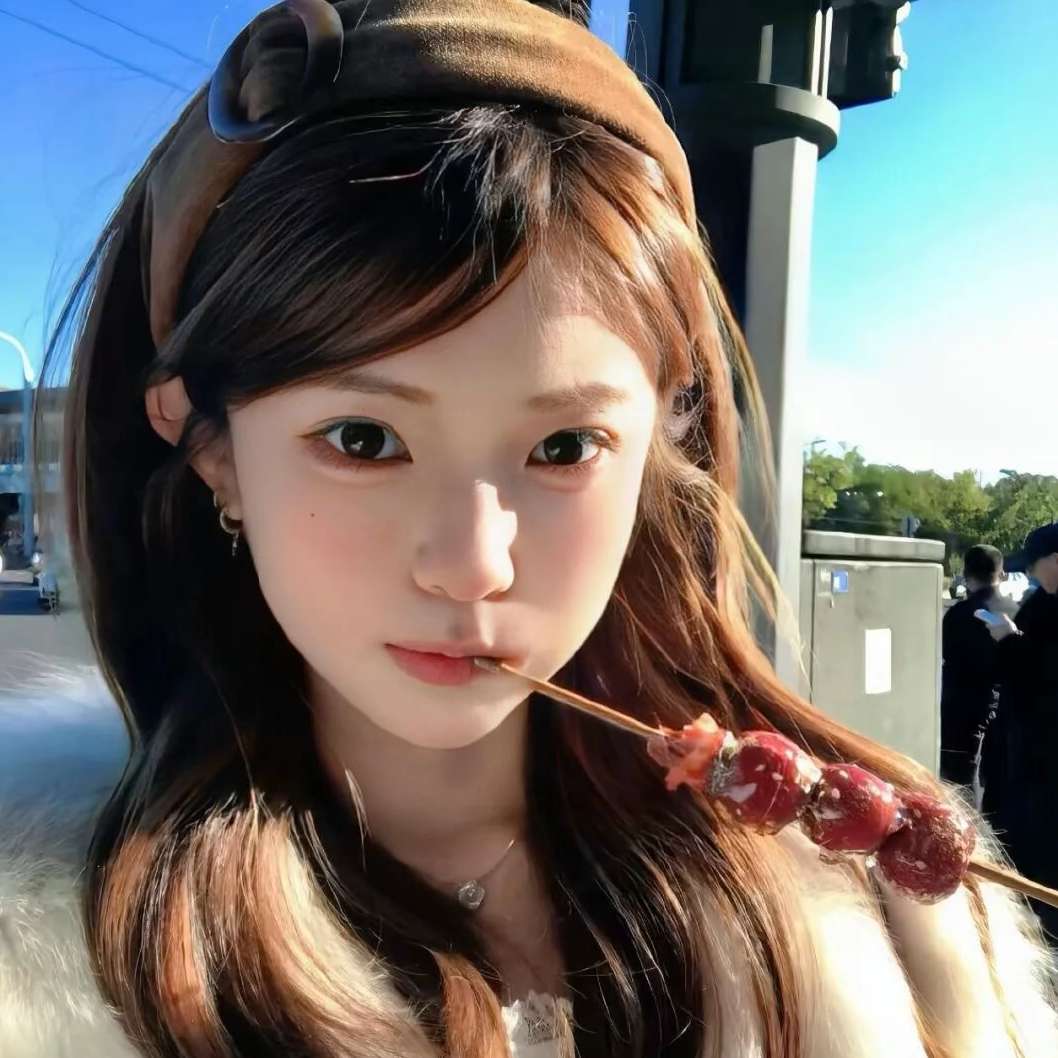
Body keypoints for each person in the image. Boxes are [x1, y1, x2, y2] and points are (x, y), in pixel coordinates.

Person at [2, 3, 1057, 1056]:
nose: (472, 566)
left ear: (659, 444)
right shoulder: (49, 978)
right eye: (362, 439)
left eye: (563, 447)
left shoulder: (886, 938)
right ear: (212, 450)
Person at [983, 523, 1058, 945]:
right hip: (1025, 758)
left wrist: (1011, 642)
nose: (1029, 574)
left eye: (1033, 565)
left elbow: (1045, 675)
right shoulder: (1040, 603)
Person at [940, 544, 1003, 788]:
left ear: (966, 575)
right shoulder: (1017, 611)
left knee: (959, 783)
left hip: (959, 711)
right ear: (1001, 573)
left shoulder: (956, 615)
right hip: (1002, 709)